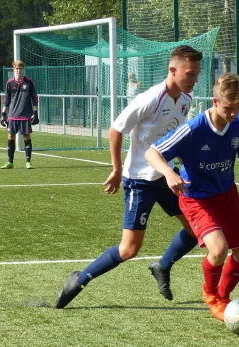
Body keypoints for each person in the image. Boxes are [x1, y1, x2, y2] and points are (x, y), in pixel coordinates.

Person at [55, 45, 203, 309]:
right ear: (173, 70)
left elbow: (174, 138)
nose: (194, 80)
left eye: (196, 75)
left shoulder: (185, 101)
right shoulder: (150, 99)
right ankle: (79, 279)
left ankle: (162, 265)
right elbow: (116, 129)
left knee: (197, 230)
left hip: (167, 177)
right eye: (190, 74)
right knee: (129, 250)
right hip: (140, 181)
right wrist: (117, 169)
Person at [145, 72, 239, 322]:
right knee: (219, 249)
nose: (233, 113)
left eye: (237, 107)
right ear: (215, 102)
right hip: (197, 198)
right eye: (228, 108)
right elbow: (153, 153)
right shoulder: (193, 129)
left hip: (227, 196)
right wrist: (169, 174)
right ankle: (211, 295)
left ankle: (223, 297)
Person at [0, 60, 39, 169]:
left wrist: (35, 112)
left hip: (26, 115)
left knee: (26, 136)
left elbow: (34, 98)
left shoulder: (29, 82)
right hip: (12, 115)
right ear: (14, 70)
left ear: (23, 69)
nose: (18, 70)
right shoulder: (9, 83)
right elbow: (6, 99)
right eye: (16, 69)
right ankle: (10, 162)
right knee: (11, 136)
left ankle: (28, 162)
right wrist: (3, 113)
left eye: (20, 68)